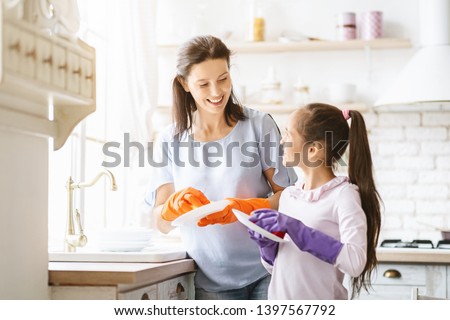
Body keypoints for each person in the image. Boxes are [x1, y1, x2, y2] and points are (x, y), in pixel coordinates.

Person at [145, 35, 297, 299]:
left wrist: (244, 207)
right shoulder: (170, 140)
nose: (216, 92)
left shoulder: (258, 126)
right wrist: (170, 210)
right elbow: (160, 223)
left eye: (223, 79)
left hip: (268, 271)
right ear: (184, 84)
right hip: (211, 281)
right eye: (203, 84)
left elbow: (292, 198)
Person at [247, 103, 382, 299]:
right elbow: (278, 268)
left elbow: (355, 262)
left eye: (288, 135)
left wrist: (299, 231)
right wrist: (267, 245)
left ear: (313, 150)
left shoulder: (343, 195)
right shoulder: (288, 196)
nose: (281, 142)